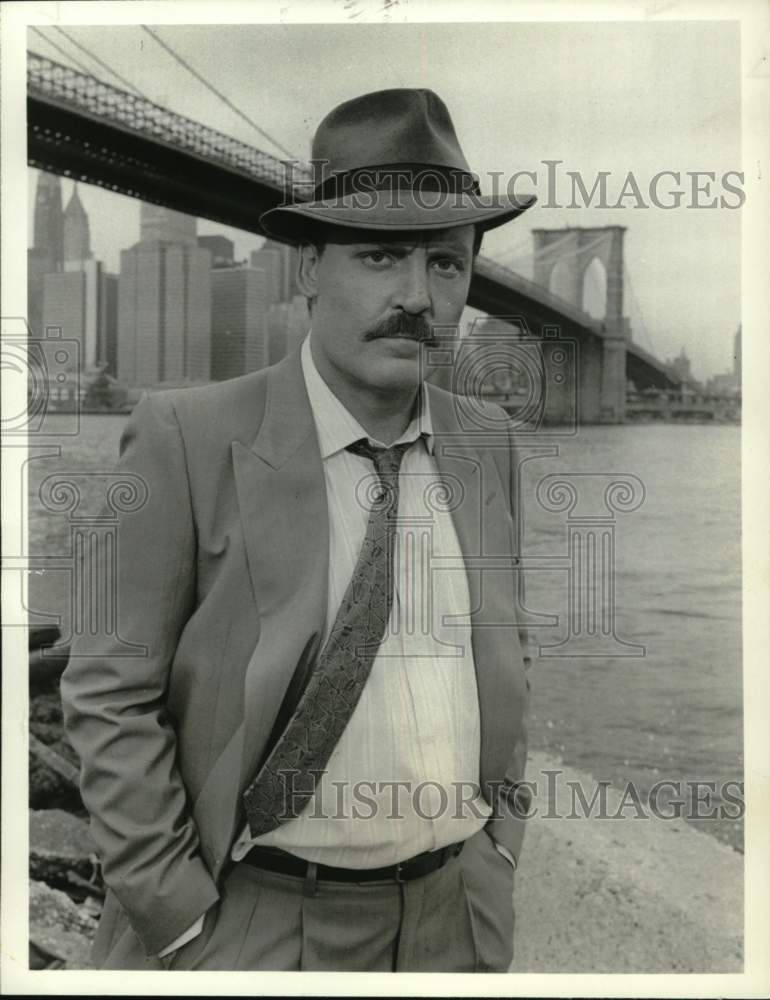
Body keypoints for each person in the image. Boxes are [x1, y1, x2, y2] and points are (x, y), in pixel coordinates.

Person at [61, 87, 535, 973]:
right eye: (379, 258)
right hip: (258, 921)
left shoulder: (489, 443)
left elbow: (508, 654)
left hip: (454, 922)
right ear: (309, 266)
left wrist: (498, 849)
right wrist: (181, 920)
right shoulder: (184, 438)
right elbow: (107, 695)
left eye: (445, 263)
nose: (416, 297)